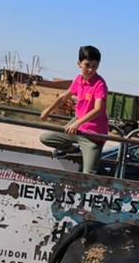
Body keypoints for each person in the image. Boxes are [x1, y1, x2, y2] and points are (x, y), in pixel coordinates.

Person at [39, 46, 109, 174]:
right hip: (76, 126)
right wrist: (48, 111)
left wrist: (78, 123)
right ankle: (74, 151)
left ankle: (86, 156)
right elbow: (64, 97)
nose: (90, 70)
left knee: (88, 175)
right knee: (46, 138)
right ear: (79, 64)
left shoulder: (100, 84)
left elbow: (98, 109)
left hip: (93, 135)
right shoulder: (78, 80)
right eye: (87, 65)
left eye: (95, 66)